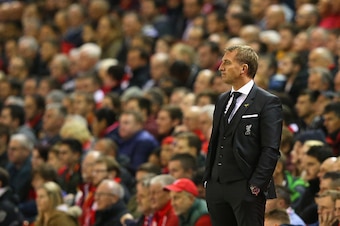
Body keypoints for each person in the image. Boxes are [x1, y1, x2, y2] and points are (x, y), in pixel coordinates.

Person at [203, 45, 283, 226]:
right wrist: (208, 180)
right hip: (217, 186)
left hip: (245, 187)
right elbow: (215, 141)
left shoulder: (267, 102)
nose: (220, 68)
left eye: (226, 63)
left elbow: (270, 149)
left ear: (243, 68)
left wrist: (256, 186)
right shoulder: (222, 99)